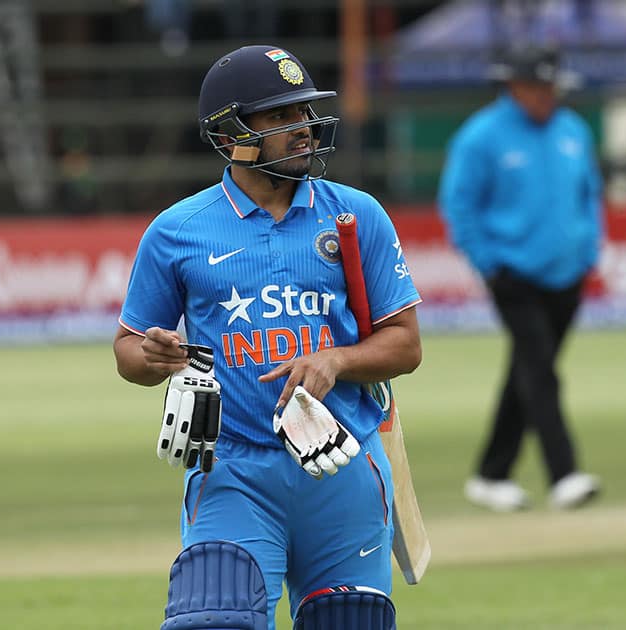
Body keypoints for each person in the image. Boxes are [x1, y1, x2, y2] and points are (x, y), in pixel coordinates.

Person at [112, 45, 422, 629]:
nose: (301, 129)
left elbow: (405, 344)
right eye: (279, 118)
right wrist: (152, 357)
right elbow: (128, 350)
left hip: (344, 467)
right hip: (232, 470)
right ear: (231, 135)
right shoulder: (177, 231)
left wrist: (336, 360)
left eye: (303, 112)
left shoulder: (356, 216)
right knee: (215, 621)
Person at [438, 45, 603, 512]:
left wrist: (589, 247)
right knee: (541, 371)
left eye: (552, 87)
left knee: (528, 372)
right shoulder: (482, 136)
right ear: (514, 86)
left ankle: (492, 474)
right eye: (537, 87)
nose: (545, 96)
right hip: (513, 273)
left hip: (568, 272)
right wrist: (490, 263)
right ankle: (565, 474)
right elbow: (460, 204)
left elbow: (588, 194)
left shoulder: (572, 129)